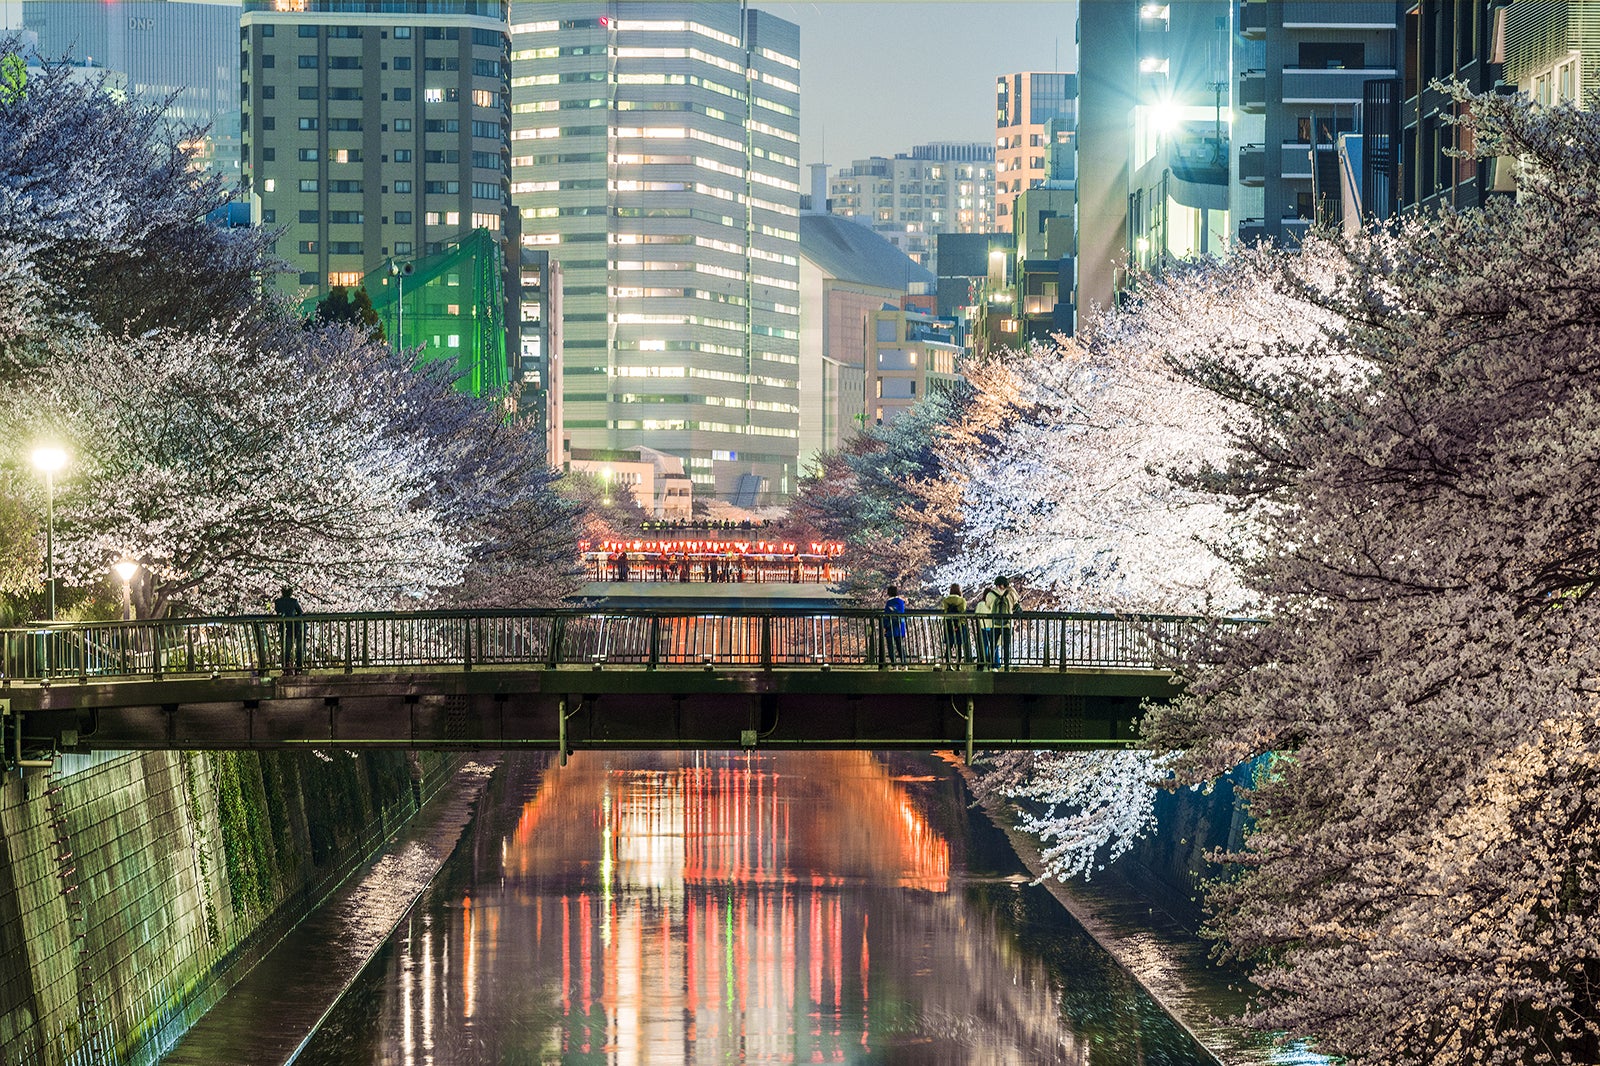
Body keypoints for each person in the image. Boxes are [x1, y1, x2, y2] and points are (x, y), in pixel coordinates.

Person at [979, 576, 1021, 670]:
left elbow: (988, 605)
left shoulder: (991, 594)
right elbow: (1016, 604)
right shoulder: (1011, 593)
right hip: (1008, 623)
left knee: (993, 645)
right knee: (1006, 646)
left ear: (997, 584)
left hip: (995, 623)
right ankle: (1006, 667)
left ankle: (989, 665)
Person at [273, 585, 305, 672]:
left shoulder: (278, 602)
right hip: (295, 626)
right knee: (298, 647)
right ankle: (299, 666)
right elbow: (300, 612)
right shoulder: (293, 601)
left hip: (284, 627)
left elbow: (277, 611)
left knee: (286, 647)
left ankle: (285, 666)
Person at [939, 583, 971, 667]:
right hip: (959, 625)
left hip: (948, 625)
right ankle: (958, 665)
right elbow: (963, 612)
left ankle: (948, 665)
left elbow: (945, 611)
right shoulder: (962, 600)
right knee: (959, 646)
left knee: (949, 646)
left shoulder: (946, 600)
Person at [882, 584, 909, 668]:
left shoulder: (889, 603)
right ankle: (904, 664)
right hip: (899, 627)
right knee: (900, 646)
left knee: (891, 647)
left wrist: (885, 626)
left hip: (890, 627)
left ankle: (894, 665)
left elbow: (886, 615)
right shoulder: (900, 602)